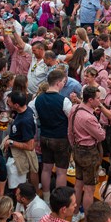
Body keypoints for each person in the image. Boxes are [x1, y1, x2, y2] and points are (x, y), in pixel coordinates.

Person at [30, 68, 72, 204]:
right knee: (61, 171)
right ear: (59, 82)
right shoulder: (64, 100)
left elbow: (34, 118)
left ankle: (47, 197)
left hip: (45, 137)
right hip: (61, 138)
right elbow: (71, 119)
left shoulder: (38, 99)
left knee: (46, 168)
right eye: (64, 82)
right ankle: (60, 200)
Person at [68, 85, 105, 222]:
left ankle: (76, 214)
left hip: (77, 149)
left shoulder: (74, 109)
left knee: (78, 184)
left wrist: (74, 147)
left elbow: (70, 132)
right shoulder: (89, 117)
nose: (100, 100)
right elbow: (101, 136)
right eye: (97, 98)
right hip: (89, 152)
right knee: (89, 189)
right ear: (90, 100)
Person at [2, 91, 39, 191]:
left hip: (19, 156)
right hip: (16, 153)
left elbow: (30, 146)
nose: (7, 103)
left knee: (18, 186)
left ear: (16, 105)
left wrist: (11, 142)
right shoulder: (25, 111)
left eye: (9, 102)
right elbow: (20, 127)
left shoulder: (25, 120)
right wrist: (10, 120)